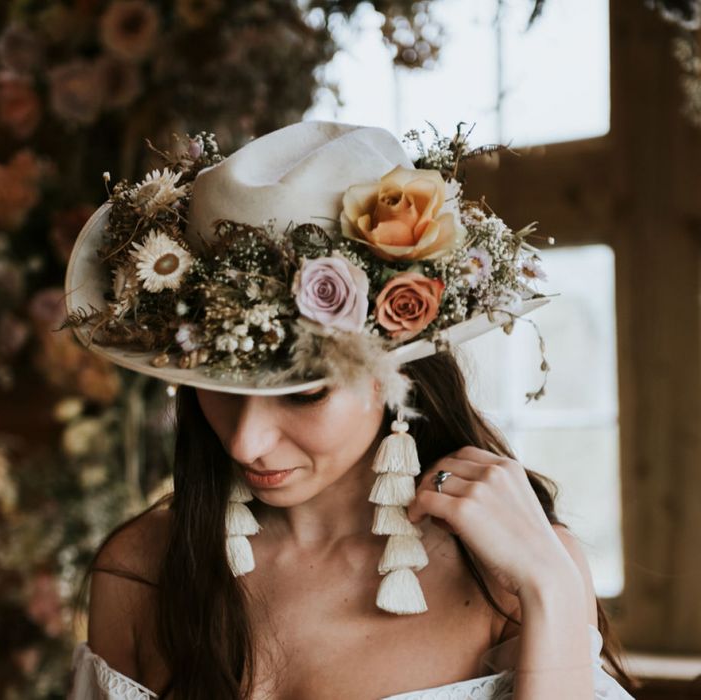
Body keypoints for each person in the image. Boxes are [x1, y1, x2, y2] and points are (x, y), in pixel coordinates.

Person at [64, 121, 638, 699]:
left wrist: (552, 592)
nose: (244, 443)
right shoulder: (141, 567)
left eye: (304, 392)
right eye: (217, 387)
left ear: (398, 371)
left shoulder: (519, 572)